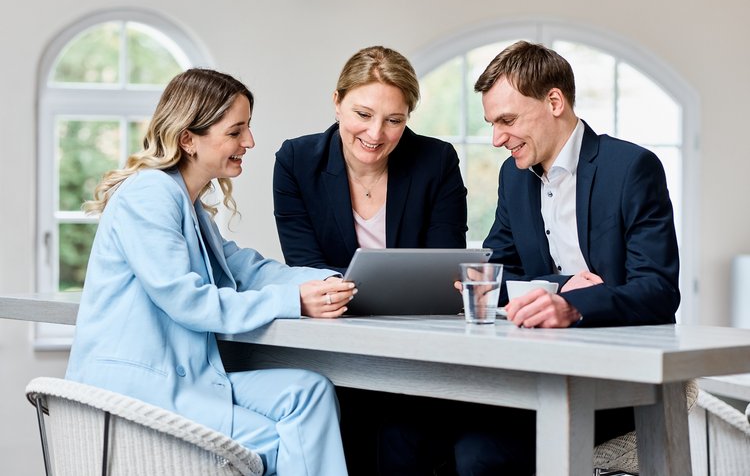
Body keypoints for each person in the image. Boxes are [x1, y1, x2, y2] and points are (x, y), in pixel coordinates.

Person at [379, 41, 680, 475]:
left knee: (479, 454)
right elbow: (496, 272)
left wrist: (573, 307)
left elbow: (657, 290)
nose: (497, 138)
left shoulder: (631, 167)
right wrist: (559, 288)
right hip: (525, 375)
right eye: (492, 123)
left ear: (554, 101)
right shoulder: (513, 177)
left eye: (507, 120)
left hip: (611, 383)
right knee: (399, 434)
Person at [65, 68, 356, 476]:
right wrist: (294, 301)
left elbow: (246, 269)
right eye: (236, 131)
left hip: (183, 381)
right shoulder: (150, 195)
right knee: (285, 441)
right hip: (137, 392)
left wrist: (328, 282)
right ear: (188, 138)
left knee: (307, 392)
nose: (249, 141)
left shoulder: (188, 204)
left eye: (247, 128)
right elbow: (187, 300)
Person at [273, 45, 468, 274]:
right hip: (331, 308)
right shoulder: (296, 161)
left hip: (416, 309)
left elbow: (442, 268)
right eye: (364, 114)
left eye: (394, 120)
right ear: (337, 102)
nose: (375, 134)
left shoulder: (438, 162)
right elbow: (306, 268)